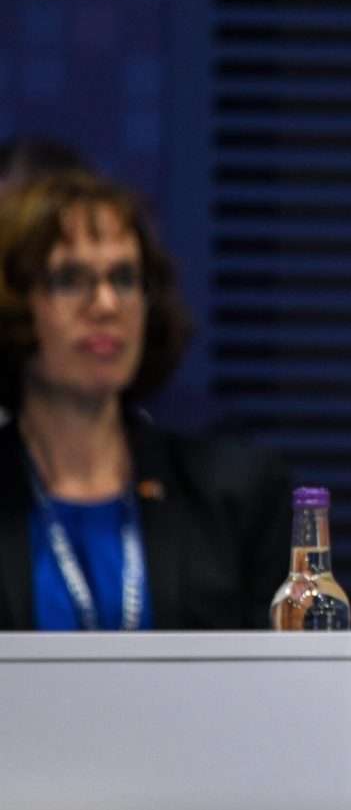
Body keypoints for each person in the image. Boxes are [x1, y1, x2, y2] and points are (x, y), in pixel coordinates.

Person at [0, 138, 291, 630]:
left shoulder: (235, 493)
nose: (106, 305)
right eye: (69, 279)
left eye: (124, 278)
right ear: (14, 303)